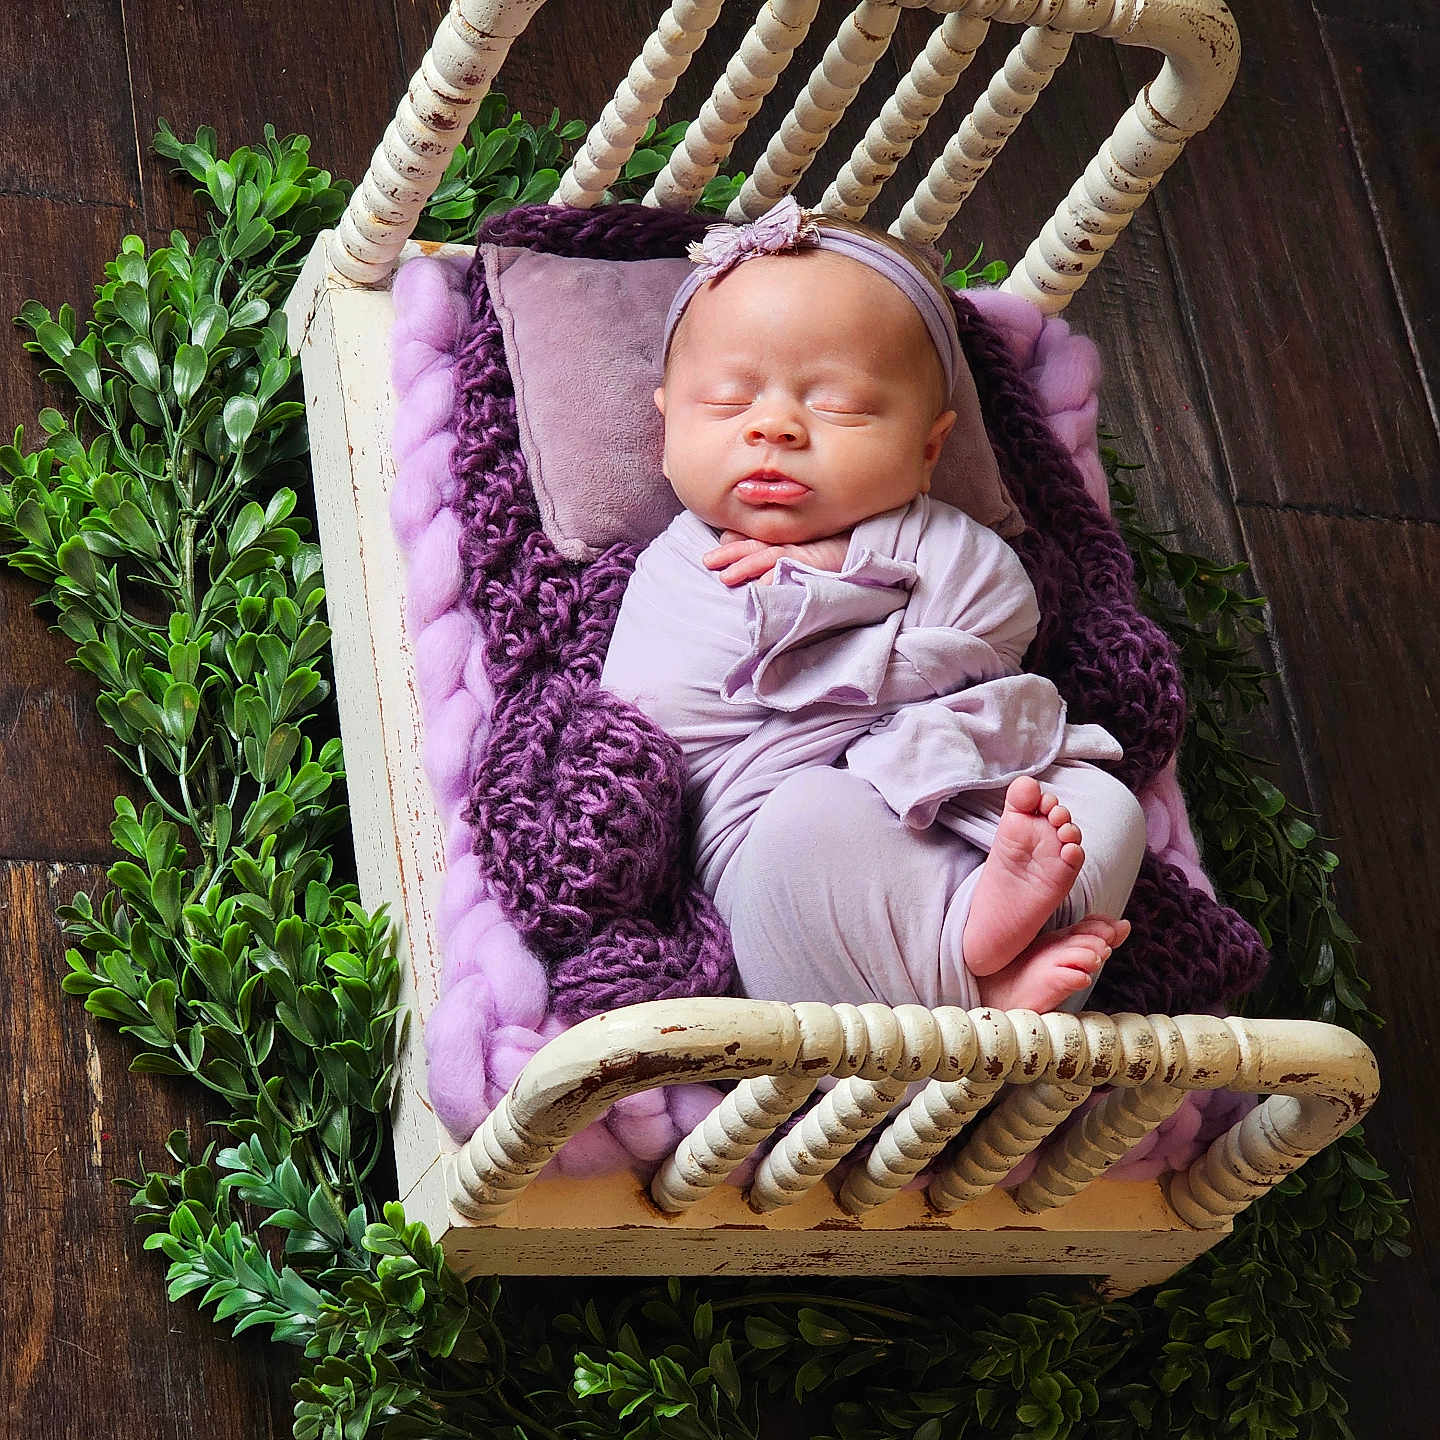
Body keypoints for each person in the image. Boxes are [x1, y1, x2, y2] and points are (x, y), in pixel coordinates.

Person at [601, 197, 1146, 1013]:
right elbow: (664, 717)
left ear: (928, 450)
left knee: (1107, 807)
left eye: (837, 407)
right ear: (667, 424)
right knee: (812, 823)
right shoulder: (682, 566)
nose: (775, 428)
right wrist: (840, 607)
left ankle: (984, 954)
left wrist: (844, 569)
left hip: (973, 795)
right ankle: (972, 973)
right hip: (779, 849)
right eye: (726, 402)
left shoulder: (932, 535)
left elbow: (1002, 622)